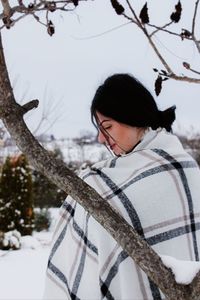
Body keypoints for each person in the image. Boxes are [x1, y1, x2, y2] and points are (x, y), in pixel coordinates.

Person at [43, 73, 200, 300]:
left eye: (107, 126)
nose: (100, 138)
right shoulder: (189, 167)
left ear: (133, 117)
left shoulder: (100, 186)